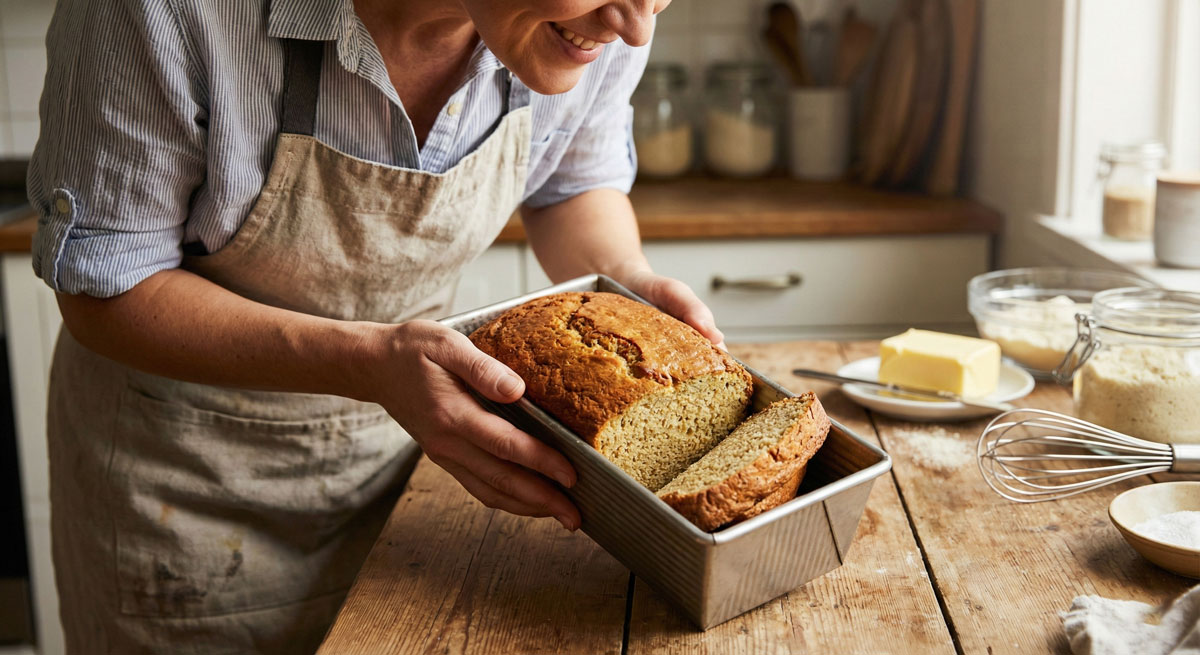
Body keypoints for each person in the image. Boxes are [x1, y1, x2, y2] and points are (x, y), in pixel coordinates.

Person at [29, 0, 726, 652]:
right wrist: (372, 363)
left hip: (411, 481)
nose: (636, 28)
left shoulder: (584, 23)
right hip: (182, 505)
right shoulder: (161, 12)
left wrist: (627, 282)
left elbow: (571, 185)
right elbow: (108, 290)